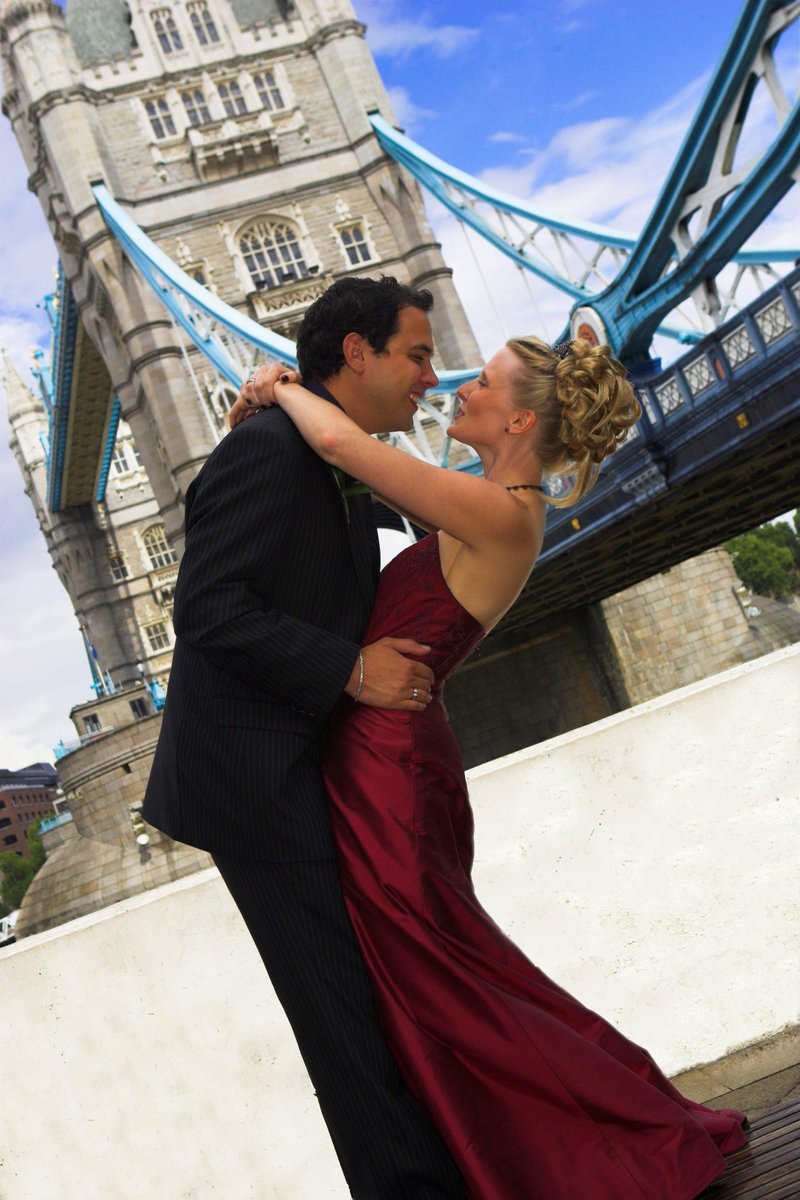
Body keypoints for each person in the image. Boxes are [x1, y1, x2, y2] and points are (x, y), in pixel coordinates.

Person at [232, 334, 748, 1200]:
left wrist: (280, 383)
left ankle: (613, 1144)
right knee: (455, 970)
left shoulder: (502, 510)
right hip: (388, 756)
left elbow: (340, 445)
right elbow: (357, 470)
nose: (461, 386)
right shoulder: (487, 500)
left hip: (387, 770)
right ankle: (582, 1135)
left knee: (446, 982)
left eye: (486, 382)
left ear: (517, 418)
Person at [143, 277, 470, 1199]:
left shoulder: (332, 450)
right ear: (356, 353)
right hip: (256, 776)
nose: (431, 374)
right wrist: (351, 669)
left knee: (374, 995)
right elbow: (208, 609)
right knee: (342, 1013)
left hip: (315, 762)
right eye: (416, 352)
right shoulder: (269, 449)